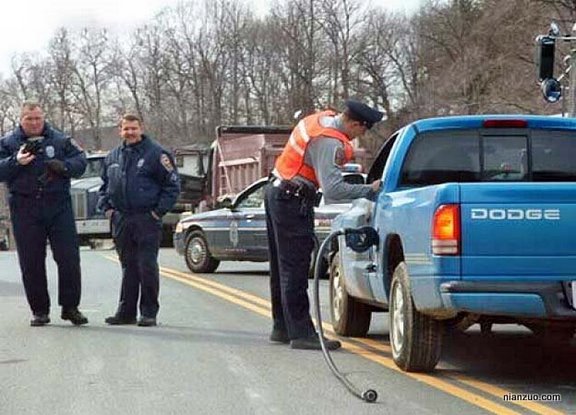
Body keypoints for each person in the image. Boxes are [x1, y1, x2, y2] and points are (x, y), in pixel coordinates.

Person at [265, 99, 383, 350]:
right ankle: (301, 333)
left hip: (277, 191)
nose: (360, 135)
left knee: (281, 267)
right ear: (352, 122)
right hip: (292, 200)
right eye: (362, 129)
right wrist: (368, 190)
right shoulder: (328, 141)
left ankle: (282, 327)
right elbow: (334, 190)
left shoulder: (319, 119)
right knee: (295, 268)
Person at [0, 101, 89, 326]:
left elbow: (81, 162)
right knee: (31, 261)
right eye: (29, 119)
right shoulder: (9, 143)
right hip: (25, 207)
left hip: (58, 205)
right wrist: (15, 162)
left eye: (38, 118)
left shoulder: (60, 139)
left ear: (43, 117)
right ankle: (40, 310)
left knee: (69, 258)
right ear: (21, 119)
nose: (34, 123)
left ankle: (70, 307)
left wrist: (64, 166)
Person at [98, 114, 180, 327]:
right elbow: (104, 187)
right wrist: (108, 210)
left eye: (134, 128)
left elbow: (172, 186)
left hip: (147, 218)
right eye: (126, 129)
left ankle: (148, 312)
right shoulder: (113, 156)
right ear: (120, 131)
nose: (130, 132)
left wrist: (157, 212)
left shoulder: (157, 154)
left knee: (146, 266)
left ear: (141, 128)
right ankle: (126, 312)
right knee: (128, 266)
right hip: (122, 218)